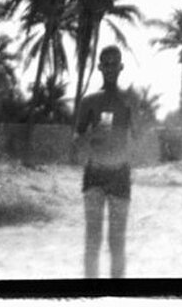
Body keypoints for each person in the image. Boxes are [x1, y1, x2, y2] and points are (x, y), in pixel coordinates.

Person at [73, 45, 135, 278]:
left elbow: (141, 137)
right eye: (105, 63)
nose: (109, 68)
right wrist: (92, 134)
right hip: (94, 176)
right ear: (99, 66)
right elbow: (76, 139)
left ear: (121, 67)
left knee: (117, 244)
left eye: (114, 63)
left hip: (120, 175)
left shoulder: (129, 101)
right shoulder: (89, 101)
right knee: (92, 241)